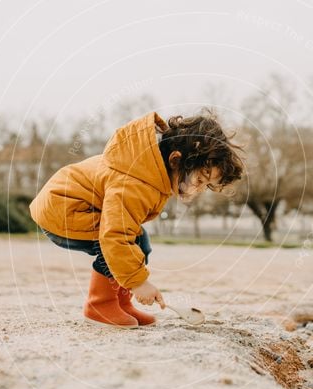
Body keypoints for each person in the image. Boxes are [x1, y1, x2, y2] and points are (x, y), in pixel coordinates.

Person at [30, 109, 244, 328]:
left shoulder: (150, 171)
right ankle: (99, 305)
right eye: (199, 180)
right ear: (175, 160)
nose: (198, 190)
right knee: (114, 244)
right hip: (64, 211)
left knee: (140, 241)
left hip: (73, 207)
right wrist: (138, 283)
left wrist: (135, 283)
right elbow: (115, 235)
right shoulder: (135, 181)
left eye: (204, 185)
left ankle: (120, 303)